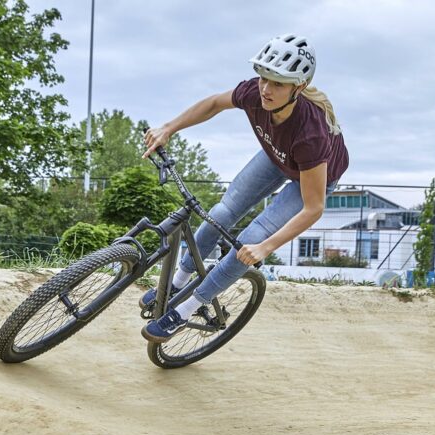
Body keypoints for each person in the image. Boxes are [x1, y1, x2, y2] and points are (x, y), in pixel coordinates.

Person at [139, 34, 348, 341]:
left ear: (298, 87)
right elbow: (213, 104)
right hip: (276, 156)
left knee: (250, 239)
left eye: (278, 83)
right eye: (264, 78)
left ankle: (188, 309)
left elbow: (313, 208)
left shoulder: (310, 134)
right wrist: (169, 128)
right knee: (221, 213)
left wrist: (266, 247)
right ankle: (177, 282)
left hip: (312, 173)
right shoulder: (255, 92)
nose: (266, 89)